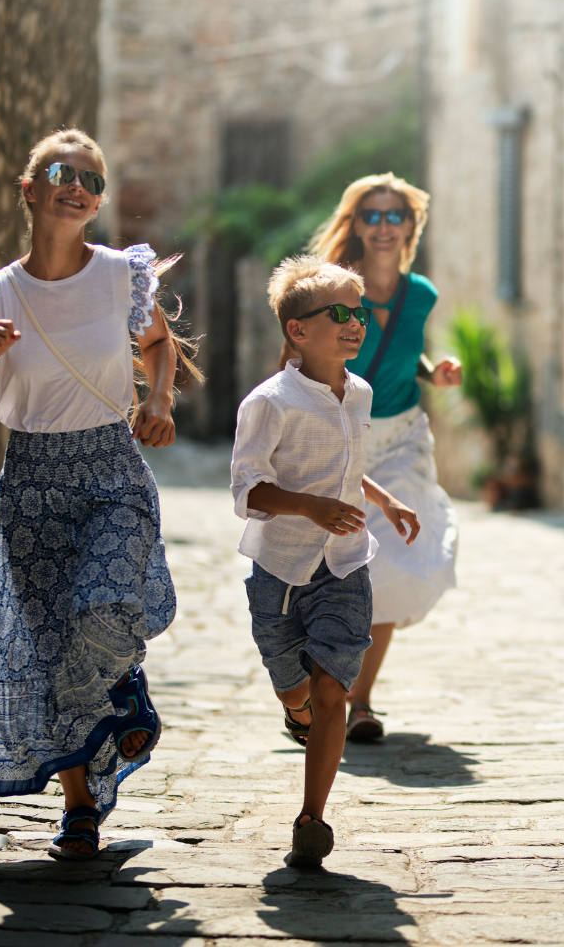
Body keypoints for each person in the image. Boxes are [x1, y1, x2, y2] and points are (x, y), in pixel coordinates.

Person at [0, 128, 202, 861]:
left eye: (91, 177)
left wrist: (162, 400)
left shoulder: (122, 276)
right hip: (32, 482)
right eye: (59, 170)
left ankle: (126, 693)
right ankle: (80, 808)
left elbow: (156, 345)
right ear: (29, 189)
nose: (76, 183)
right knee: (52, 650)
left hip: (110, 468)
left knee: (103, 604)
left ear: (98, 199)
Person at [232, 254, 421, 865]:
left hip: (344, 566)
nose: (355, 322)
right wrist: (309, 507)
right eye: (339, 312)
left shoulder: (359, 393)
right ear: (297, 330)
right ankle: (295, 711)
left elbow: (351, 468)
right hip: (279, 574)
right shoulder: (270, 402)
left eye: (360, 311)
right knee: (296, 691)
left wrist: (387, 502)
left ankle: (312, 818)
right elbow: (248, 492)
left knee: (332, 689)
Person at [293, 173, 459, 741]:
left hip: (405, 437)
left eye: (396, 216)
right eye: (374, 215)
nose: (385, 226)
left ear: (411, 226)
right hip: (345, 436)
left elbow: (403, 352)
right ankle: (313, 689)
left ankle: (359, 703)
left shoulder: (422, 295)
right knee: (333, 562)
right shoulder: (330, 290)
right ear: (357, 224)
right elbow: (297, 357)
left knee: (393, 563)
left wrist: (432, 370)